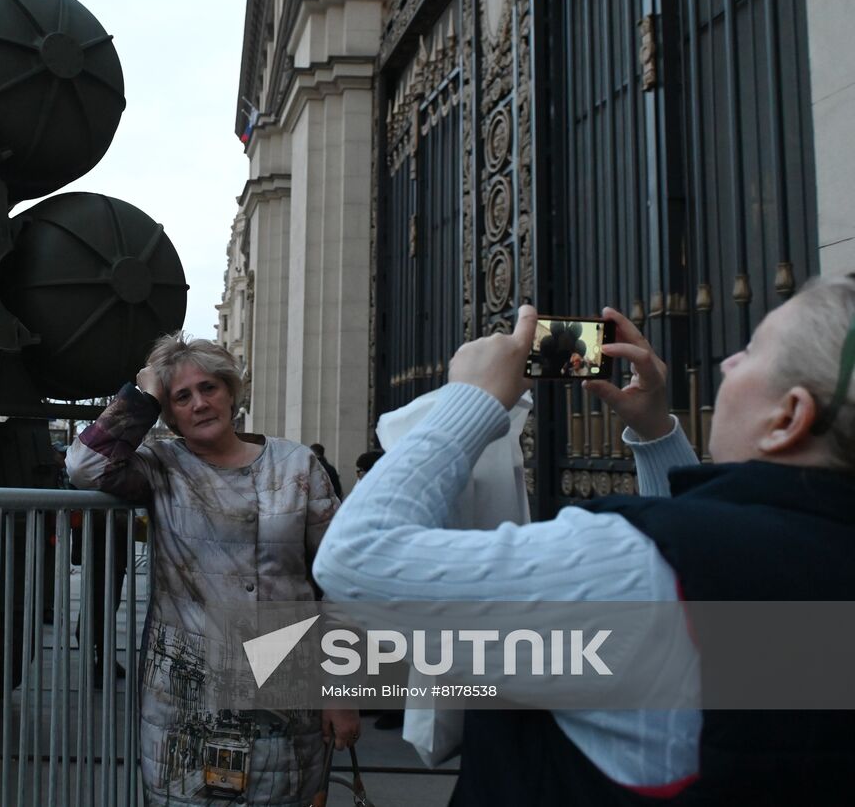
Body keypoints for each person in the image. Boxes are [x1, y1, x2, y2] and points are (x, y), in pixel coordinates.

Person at [313, 274, 855, 805]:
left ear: (789, 417)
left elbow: (355, 557)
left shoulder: (629, 565)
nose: (726, 362)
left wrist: (469, 400)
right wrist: (655, 431)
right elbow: (707, 577)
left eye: (751, 351)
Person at [67, 335, 360, 805]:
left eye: (209, 388)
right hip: (189, 693)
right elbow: (84, 466)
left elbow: (342, 581)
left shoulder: (297, 464)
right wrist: (142, 396)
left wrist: (341, 692)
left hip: (283, 685)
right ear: (169, 411)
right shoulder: (163, 465)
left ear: (230, 391)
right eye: (182, 396)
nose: (200, 403)